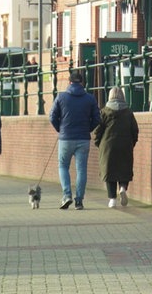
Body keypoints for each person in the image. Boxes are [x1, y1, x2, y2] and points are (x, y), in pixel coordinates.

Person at [49, 72, 100, 210]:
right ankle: (79, 201)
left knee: (63, 166)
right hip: (83, 139)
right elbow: (97, 118)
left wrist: (60, 129)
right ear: (82, 83)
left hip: (66, 138)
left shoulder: (61, 96)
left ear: (69, 82)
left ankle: (66, 195)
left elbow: (52, 116)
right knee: (81, 170)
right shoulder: (90, 99)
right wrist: (87, 129)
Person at [93, 87, 139, 208]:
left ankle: (112, 199)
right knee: (124, 168)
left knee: (109, 171)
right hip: (125, 144)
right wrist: (131, 143)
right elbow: (135, 130)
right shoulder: (128, 112)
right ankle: (123, 188)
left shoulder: (104, 112)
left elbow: (98, 131)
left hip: (108, 146)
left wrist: (98, 143)